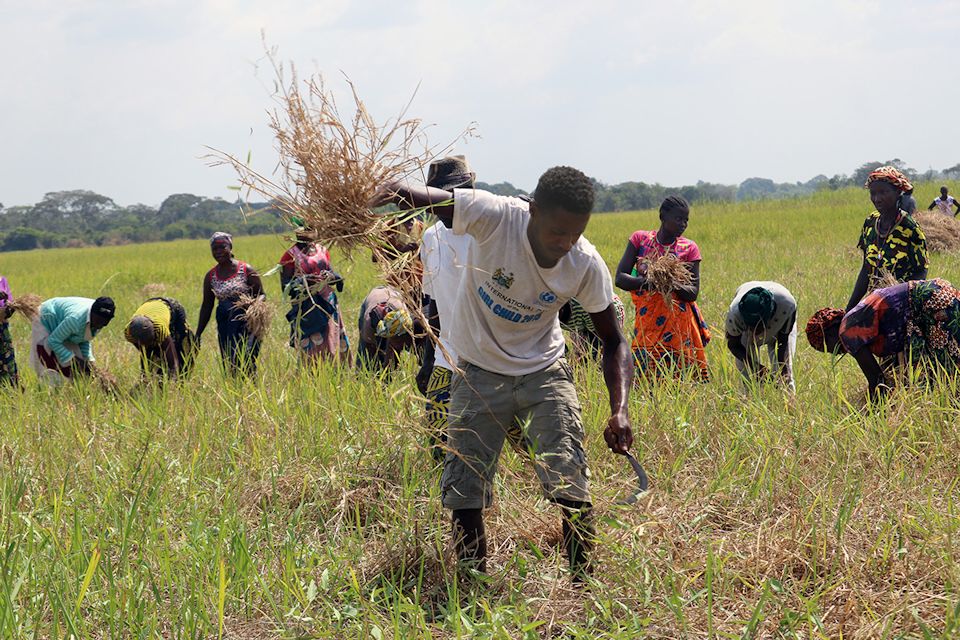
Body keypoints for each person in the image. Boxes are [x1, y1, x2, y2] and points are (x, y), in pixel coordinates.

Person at [381, 165, 633, 584]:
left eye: (576, 233)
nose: (565, 243)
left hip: (543, 371)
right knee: (465, 493)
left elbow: (614, 340)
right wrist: (361, 195)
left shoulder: (584, 264)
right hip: (477, 373)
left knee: (571, 485)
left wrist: (619, 409)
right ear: (532, 211)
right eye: (557, 232)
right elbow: (407, 193)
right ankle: (473, 590)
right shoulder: (496, 216)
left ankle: (583, 586)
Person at [417, 156, 478, 460]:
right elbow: (434, 302)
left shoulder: (489, 234)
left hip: (493, 361)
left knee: (526, 445)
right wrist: (428, 359)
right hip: (448, 357)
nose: (442, 209)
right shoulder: (430, 239)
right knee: (438, 442)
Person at [808, 278, 960, 401]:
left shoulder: (847, 332)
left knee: (950, 370)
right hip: (939, 291)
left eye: (827, 348)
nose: (834, 354)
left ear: (829, 334)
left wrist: (869, 417)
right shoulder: (857, 318)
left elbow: (878, 381)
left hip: (932, 304)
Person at [614, 195, 710, 380]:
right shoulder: (640, 240)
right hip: (647, 321)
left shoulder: (689, 248)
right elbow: (620, 279)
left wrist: (669, 281)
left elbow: (692, 293)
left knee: (681, 380)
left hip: (678, 325)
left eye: (686, 220)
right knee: (644, 377)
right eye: (678, 218)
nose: (683, 224)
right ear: (663, 216)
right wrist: (651, 281)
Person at [846, 166, 928, 312]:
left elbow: (921, 272)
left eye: (883, 192)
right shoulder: (870, 223)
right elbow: (867, 268)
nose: (877, 199)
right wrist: (849, 309)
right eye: (873, 193)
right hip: (874, 305)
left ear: (897, 192)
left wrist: (896, 296)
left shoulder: (909, 228)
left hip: (902, 308)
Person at [196, 232, 265, 376]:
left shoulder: (246, 269)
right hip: (225, 324)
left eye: (222, 247)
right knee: (230, 360)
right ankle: (236, 391)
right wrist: (198, 333)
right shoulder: (211, 276)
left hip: (247, 322)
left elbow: (262, 294)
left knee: (247, 358)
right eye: (215, 249)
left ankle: (252, 391)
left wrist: (254, 306)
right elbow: (207, 306)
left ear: (230, 247)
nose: (218, 252)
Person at [279, 223, 348, 363]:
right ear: (296, 233)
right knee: (311, 347)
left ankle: (336, 374)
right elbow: (286, 287)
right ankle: (312, 378)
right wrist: (303, 281)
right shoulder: (290, 256)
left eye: (310, 229)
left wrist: (334, 277)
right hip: (307, 306)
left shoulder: (322, 250)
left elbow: (332, 273)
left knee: (332, 340)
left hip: (328, 303)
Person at [725, 282, 797, 392]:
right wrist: (755, 367)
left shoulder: (787, 305)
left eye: (758, 326)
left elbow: (783, 340)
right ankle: (747, 403)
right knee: (747, 376)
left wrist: (783, 369)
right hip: (745, 333)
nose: (755, 331)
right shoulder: (735, 313)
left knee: (786, 375)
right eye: (751, 325)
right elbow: (733, 344)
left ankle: (789, 404)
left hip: (779, 327)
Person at [29, 296, 115, 385]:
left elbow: (84, 339)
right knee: (47, 360)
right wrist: (73, 359)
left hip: (65, 324)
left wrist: (88, 360)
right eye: (98, 321)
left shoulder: (99, 321)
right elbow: (53, 341)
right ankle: (48, 390)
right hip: (46, 317)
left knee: (77, 368)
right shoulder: (75, 319)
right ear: (91, 313)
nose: (99, 325)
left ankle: (71, 391)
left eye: (104, 323)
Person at [124, 297, 196, 380]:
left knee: (180, 348)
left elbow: (173, 361)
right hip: (150, 305)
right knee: (152, 354)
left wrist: (174, 379)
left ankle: (183, 380)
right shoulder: (129, 332)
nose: (147, 344)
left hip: (172, 308)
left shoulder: (159, 328)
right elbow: (144, 353)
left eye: (150, 341)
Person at [356, 285, 420, 371]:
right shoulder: (368, 324)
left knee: (393, 349)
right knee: (366, 359)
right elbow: (368, 350)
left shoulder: (403, 316)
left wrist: (389, 371)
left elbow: (394, 345)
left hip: (393, 294)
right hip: (372, 297)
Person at [559, 296, 627, 360]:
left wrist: (592, 355)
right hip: (577, 320)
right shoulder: (552, 309)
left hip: (604, 310)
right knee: (581, 360)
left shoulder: (594, 304)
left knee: (606, 357)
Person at [0, 277, 19, 388]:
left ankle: (12, 393)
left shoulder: (3, 281)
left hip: (3, 330)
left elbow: (9, 300)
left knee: (9, 362)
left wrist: (10, 308)